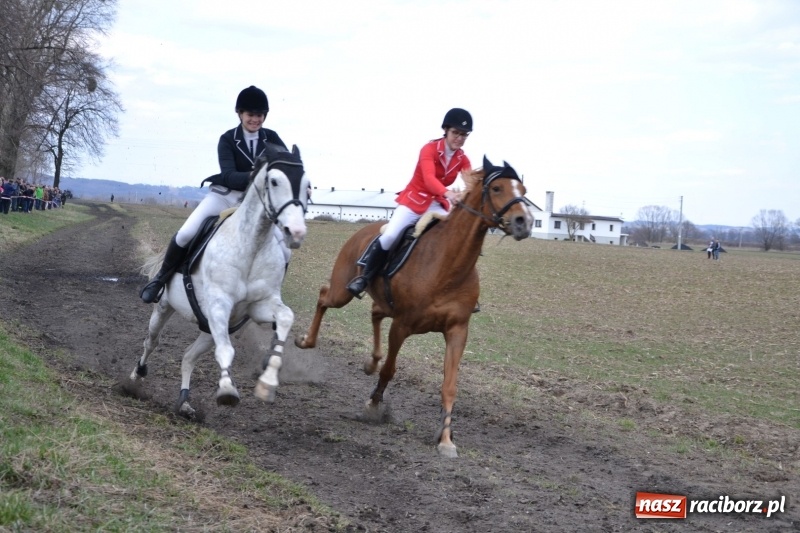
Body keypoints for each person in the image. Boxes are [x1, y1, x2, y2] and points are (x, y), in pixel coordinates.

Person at [140, 85, 290, 304]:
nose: (255, 120)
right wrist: (258, 175)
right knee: (185, 233)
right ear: (240, 114)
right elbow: (228, 175)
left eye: (259, 115)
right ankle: (160, 280)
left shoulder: (272, 137)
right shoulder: (228, 139)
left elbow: (286, 165)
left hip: (256, 204)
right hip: (225, 196)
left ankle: (272, 294)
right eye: (251, 115)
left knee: (285, 250)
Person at [346, 108, 473, 297]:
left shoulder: (462, 159)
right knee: (390, 236)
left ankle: (454, 287)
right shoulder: (428, 149)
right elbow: (429, 179)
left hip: (437, 203)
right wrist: (449, 194)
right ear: (446, 130)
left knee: (455, 236)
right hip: (414, 201)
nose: (459, 138)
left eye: (464, 135)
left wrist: (467, 193)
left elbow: (471, 181)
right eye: (456, 133)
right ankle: (365, 278)